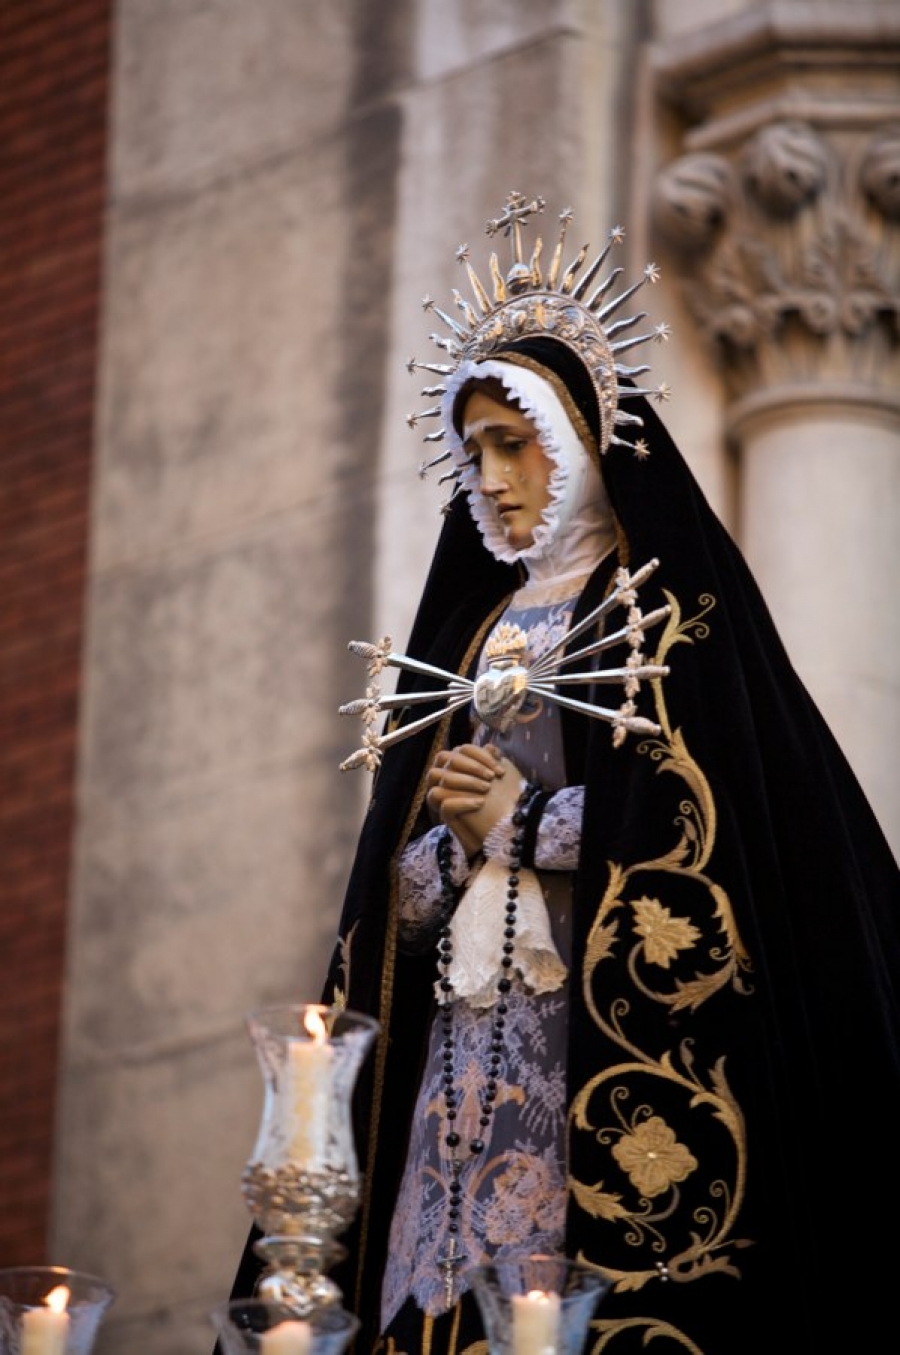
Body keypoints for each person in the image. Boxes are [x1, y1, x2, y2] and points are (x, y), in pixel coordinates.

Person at [224, 196, 900, 1354]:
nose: (490, 477)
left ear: (582, 442)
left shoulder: (664, 617)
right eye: (474, 449)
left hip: (584, 1034)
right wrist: (443, 846)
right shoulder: (467, 634)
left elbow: (716, 829)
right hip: (458, 1049)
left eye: (514, 443)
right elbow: (394, 897)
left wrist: (527, 818)